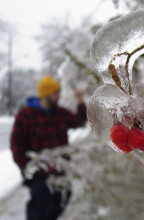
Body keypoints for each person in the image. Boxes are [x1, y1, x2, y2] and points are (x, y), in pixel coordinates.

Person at [10, 75, 87, 220]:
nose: (59, 96)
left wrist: (80, 101)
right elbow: (16, 144)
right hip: (39, 174)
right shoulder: (26, 115)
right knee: (39, 207)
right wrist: (26, 168)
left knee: (62, 199)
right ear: (45, 95)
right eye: (55, 93)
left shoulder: (61, 113)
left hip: (60, 171)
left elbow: (79, 121)